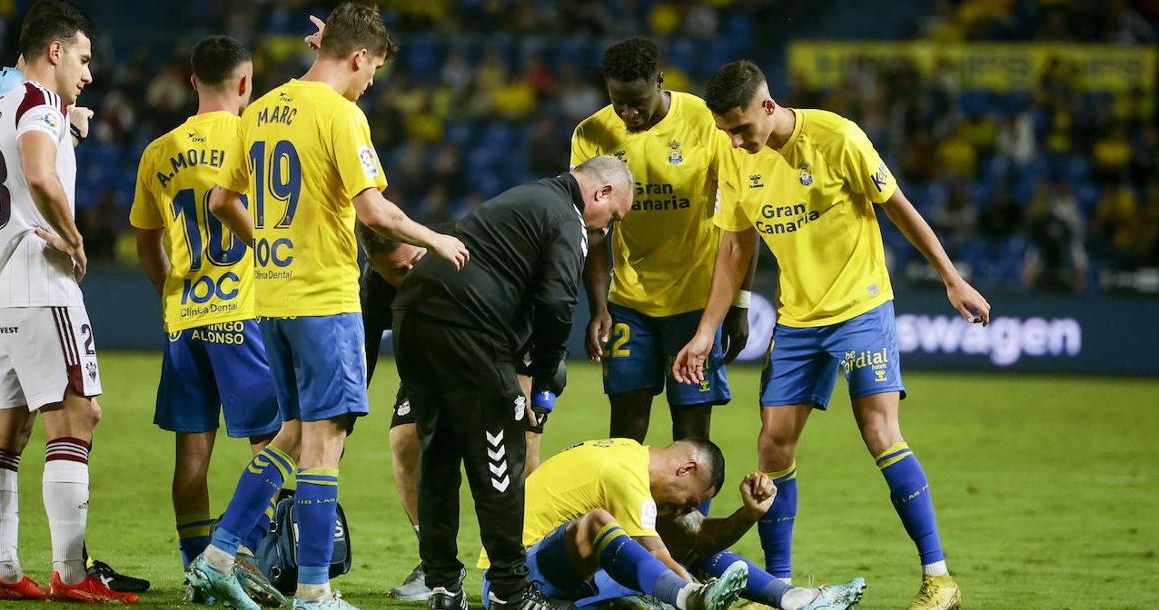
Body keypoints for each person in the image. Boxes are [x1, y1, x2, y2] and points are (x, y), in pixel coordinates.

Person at [673, 60, 991, 610]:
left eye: (741, 127)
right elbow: (734, 248)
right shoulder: (732, 153)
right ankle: (778, 590)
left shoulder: (838, 137)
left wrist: (951, 277)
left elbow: (899, 208)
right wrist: (706, 331)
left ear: (768, 107)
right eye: (725, 130)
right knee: (772, 444)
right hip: (798, 320)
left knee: (879, 432)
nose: (734, 139)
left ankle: (938, 577)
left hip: (861, 307)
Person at [186, 3, 468, 610]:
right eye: (373, 71)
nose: (371, 83)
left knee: (289, 434)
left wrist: (262, 241)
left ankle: (217, 553)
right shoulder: (343, 115)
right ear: (360, 58)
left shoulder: (260, 110)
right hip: (324, 299)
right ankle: (313, 589)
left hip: (270, 295)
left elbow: (219, 201)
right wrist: (436, 239)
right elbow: (375, 212)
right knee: (324, 443)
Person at [0, 63, 146, 596]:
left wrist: (70, 115)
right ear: (56, 50)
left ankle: (5, 571)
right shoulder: (32, 100)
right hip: (38, 284)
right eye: (85, 59)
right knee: (77, 415)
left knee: (2, 428)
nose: (89, 71)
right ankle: (72, 573)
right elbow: (37, 174)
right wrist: (74, 238)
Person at [392, 156, 633, 610]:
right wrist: (545, 378)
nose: (607, 230)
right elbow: (559, 301)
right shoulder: (569, 218)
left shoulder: (526, 197)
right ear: (601, 193)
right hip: (468, 328)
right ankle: (510, 590)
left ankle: (443, 587)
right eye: (613, 216)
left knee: (438, 453)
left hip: (414, 317)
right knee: (500, 462)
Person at [128, 36, 285, 606]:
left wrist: (173, 293)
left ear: (193, 81)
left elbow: (147, 245)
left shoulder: (158, 151)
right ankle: (233, 550)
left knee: (191, 458)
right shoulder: (254, 137)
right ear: (245, 84)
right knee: (271, 443)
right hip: (241, 315)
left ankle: (197, 570)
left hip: (184, 319)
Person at [571, 39, 757, 449]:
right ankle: (628, 515)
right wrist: (599, 306)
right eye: (618, 102)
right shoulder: (592, 133)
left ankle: (688, 516)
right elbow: (592, 232)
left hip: (696, 304)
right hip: (629, 304)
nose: (627, 113)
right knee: (624, 432)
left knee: (691, 436)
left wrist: (738, 305)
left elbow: (744, 220)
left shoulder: (706, 124)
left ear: (659, 80)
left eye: (637, 102)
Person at [355, 225, 549, 602]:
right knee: (406, 439)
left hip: (504, 357)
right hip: (432, 357)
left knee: (520, 454)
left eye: (413, 262)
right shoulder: (376, 283)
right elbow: (364, 347)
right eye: (395, 272)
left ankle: (528, 562)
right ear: (374, 268)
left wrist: (524, 381)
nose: (409, 276)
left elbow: (531, 312)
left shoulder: (460, 252)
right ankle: (434, 562)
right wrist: (345, 413)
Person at [480, 438, 865, 610]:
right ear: (687, 468)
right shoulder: (623, 472)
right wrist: (695, 590)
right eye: (691, 500)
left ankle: (793, 599)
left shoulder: (631, 456)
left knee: (682, 536)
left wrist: (748, 513)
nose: (684, 509)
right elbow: (658, 553)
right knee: (599, 523)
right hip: (514, 584)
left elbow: (696, 537)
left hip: (567, 577)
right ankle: (687, 599)